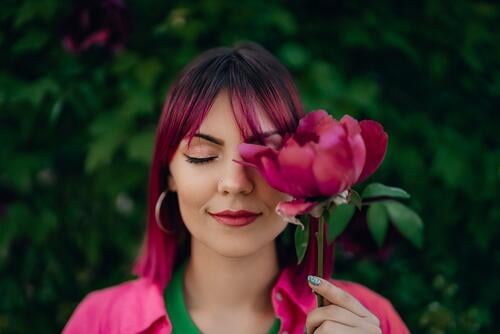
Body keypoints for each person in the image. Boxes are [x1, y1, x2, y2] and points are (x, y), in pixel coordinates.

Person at [62, 42, 410, 334]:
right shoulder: (100, 321)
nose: (234, 183)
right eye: (202, 155)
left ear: (302, 166)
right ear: (169, 173)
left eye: (262, 154)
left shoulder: (371, 321)